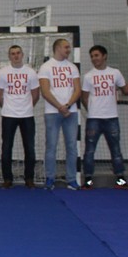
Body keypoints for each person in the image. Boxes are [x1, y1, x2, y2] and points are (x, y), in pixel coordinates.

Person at [80, 45, 128, 189]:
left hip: (112, 118)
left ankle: (120, 180)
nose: (94, 58)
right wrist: (92, 110)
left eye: (96, 55)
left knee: (116, 150)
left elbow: (126, 89)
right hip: (94, 119)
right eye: (92, 56)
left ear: (105, 56)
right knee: (89, 150)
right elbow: (84, 97)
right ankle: (88, 180)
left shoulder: (115, 73)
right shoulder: (88, 76)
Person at [0, 45, 40, 189]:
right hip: (8, 115)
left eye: (18, 53)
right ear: (9, 56)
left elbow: (35, 95)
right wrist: (8, 107)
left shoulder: (31, 72)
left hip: (27, 115)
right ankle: (7, 179)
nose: (16, 56)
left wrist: (26, 107)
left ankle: (29, 178)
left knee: (30, 148)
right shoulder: (3, 73)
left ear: (22, 54)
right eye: (13, 53)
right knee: (6, 147)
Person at [38, 38, 81, 190]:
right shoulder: (46, 67)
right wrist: (59, 107)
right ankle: (50, 178)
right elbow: (45, 91)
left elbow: (77, 90)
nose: (68, 50)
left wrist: (68, 105)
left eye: (69, 47)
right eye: (66, 47)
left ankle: (71, 179)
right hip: (52, 112)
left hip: (71, 112)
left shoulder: (72, 67)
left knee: (72, 146)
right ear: (57, 48)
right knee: (51, 146)